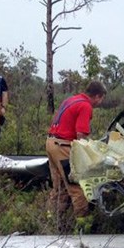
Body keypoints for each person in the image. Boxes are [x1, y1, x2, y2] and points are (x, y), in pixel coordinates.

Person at [45, 80, 108, 224]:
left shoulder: (72, 99)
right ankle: (82, 224)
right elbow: (81, 135)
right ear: (97, 96)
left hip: (51, 143)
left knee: (60, 187)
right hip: (62, 146)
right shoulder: (85, 106)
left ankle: (50, 221)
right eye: (102, 98)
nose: (101, 102)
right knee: (77, 187)